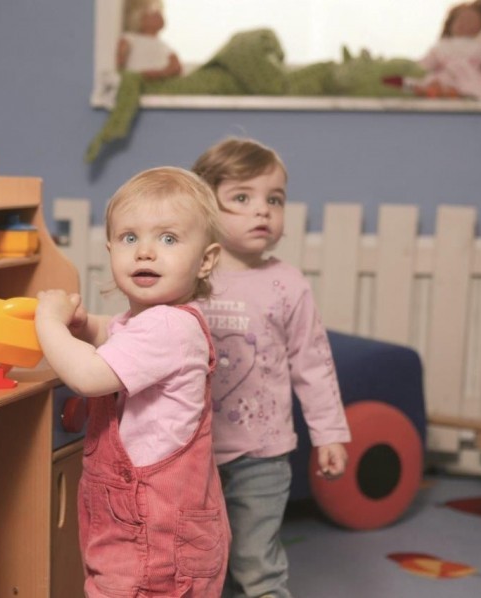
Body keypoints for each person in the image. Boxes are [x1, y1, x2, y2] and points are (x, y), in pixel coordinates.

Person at [35, 166, 229, 597]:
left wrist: (48, 323)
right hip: (147, 528)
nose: (144, 252)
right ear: (110, 249)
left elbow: (88, 377)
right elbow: (121, 334)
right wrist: (89, 329)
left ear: (207, 260)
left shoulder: (167, 327)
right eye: (129, 238)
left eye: (168, 239)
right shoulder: (156, 321)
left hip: (154, 539)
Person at [192, 137, 351, 598]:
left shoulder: (288, 285)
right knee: (195, 562)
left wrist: (330, 433)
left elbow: (313, 365)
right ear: (203, 206)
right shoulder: (187, 277)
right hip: (189, 451)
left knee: (256, 564)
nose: (263, 211)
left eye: (274, 200)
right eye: (242, 198)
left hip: (262, 455)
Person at [386, 0, 481, 99]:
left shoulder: (480, 45)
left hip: (466, 77)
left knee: (464, 88)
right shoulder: (442, 46)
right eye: (460, 20)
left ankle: (447, 92)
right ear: (450, 24)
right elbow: (426, 63)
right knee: (432, 80)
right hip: (444, 75)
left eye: (470, 21)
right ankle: (422, 88)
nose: (464, 24)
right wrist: (416, 69)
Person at [116, 0, 182, 81]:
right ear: (140, 19)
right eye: (152, 12)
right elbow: (121, 55)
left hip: (158, 82)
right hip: (136, 79)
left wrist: (159, 73)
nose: (158, 13)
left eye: (159, 11)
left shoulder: (164, 46)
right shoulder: (131, 37)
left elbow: (176, 66)